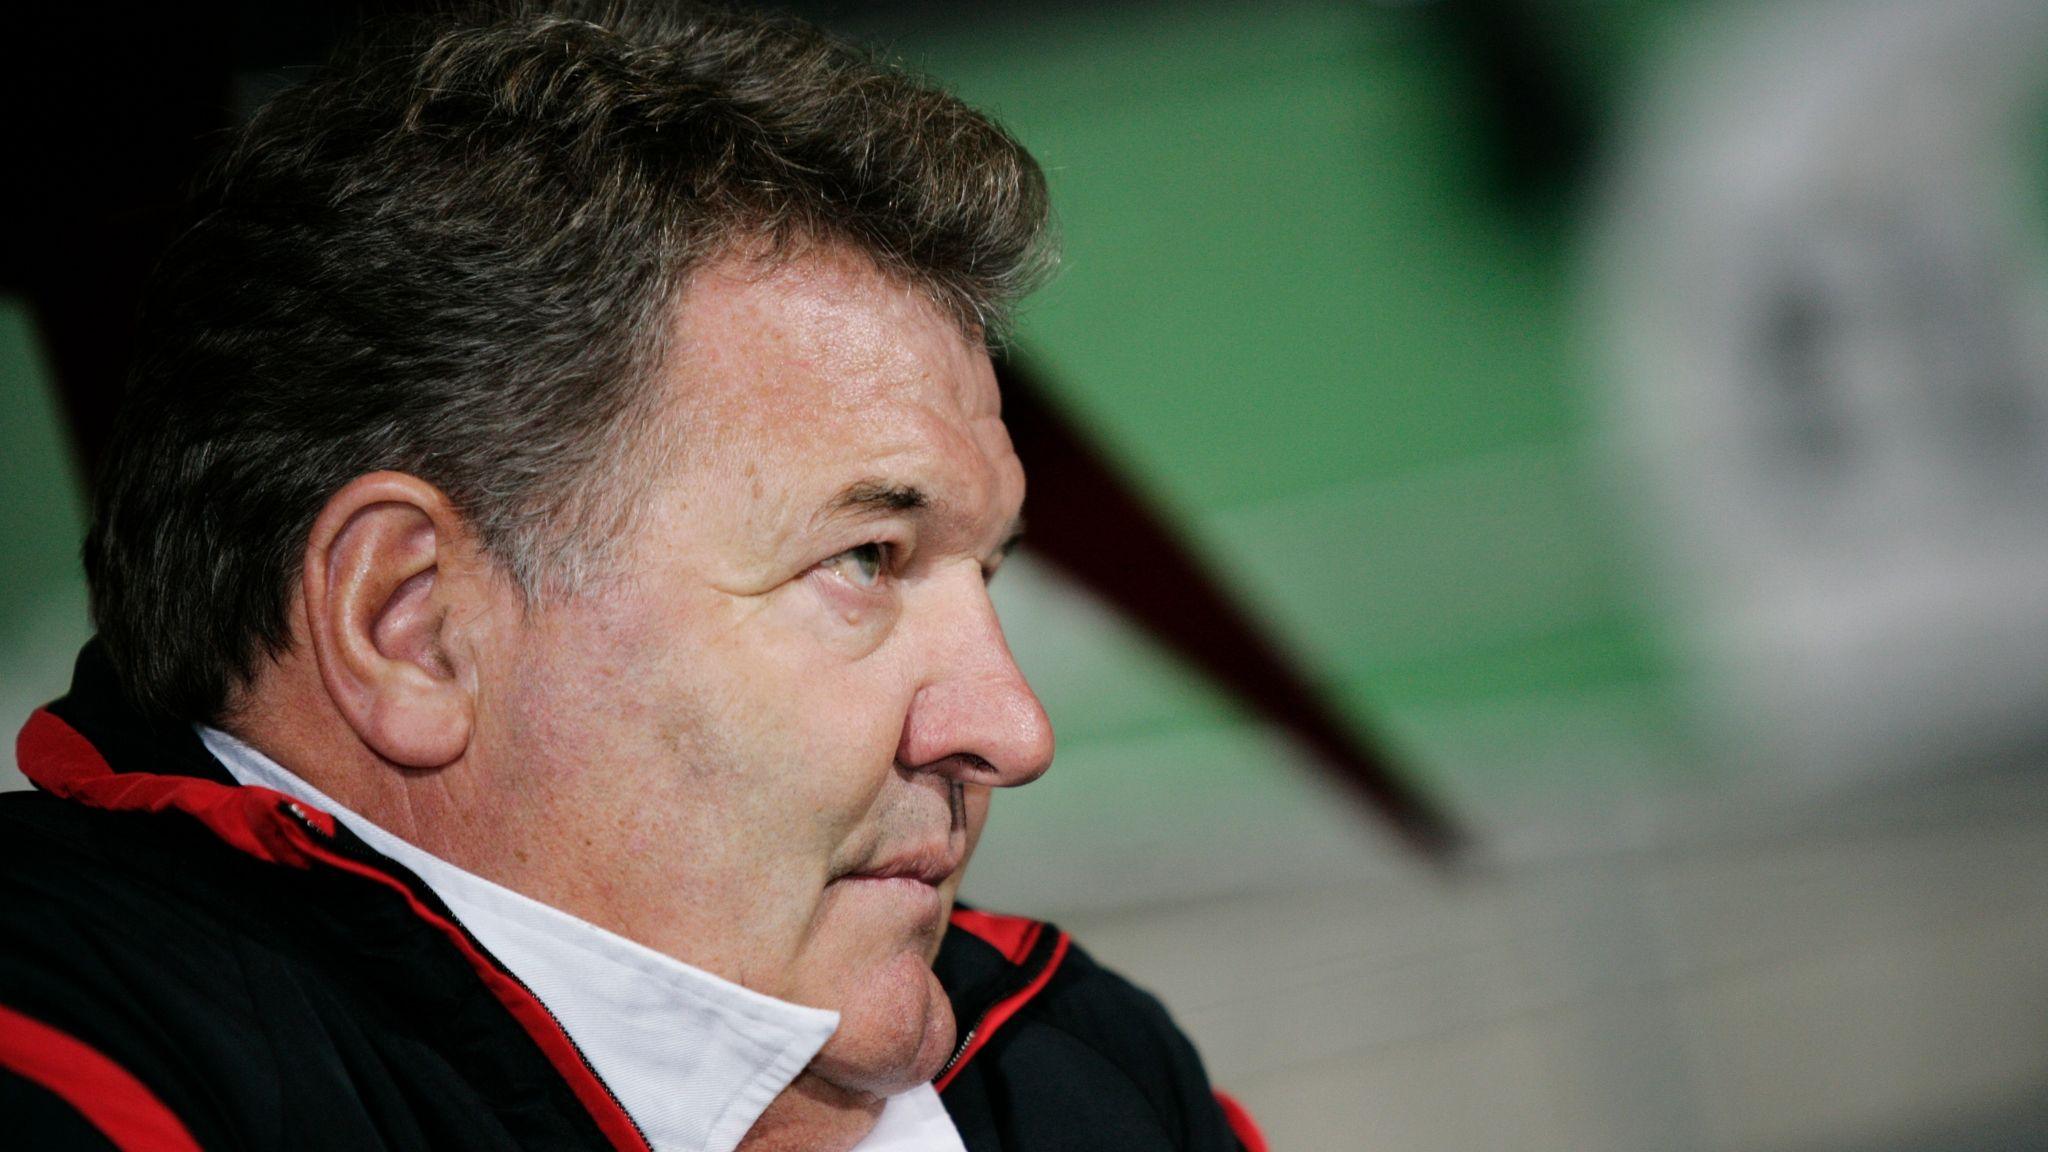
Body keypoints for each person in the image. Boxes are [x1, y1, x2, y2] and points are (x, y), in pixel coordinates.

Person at [0, 4, 1266, 1151]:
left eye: (982, 572)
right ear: (415, 627)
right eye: (864, 560)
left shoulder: (1084, 1072)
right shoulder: (64, 1073)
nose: (1009, 728)